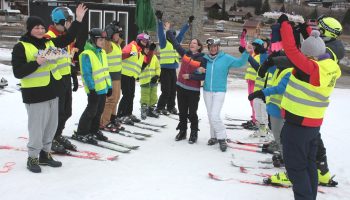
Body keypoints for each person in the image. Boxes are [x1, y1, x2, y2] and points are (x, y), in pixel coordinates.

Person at [11, 4, 87, 173]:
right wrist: (36, 63)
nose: (40, 30)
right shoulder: (21, 47)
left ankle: (45, 154)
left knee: (51, 126)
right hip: (35, 94)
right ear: (30, 29)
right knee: (37, 128)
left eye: (42, 27)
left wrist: (78, 21)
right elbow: (18, 72)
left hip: (52, 91)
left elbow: (68, 38)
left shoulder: (49, 42)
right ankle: (32, 157)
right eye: (36, 27)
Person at [279, 14, 341, 200]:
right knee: (308, 165)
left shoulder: (310, 69)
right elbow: (315, 46)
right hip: (312, 126)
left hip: (298, 124)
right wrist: (307, 30)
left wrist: (285, 26)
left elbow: (291, 50)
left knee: (296, 168)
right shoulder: (329, 64)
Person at [203, 38, 253, 152]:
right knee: (210, 115)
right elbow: (197, 70)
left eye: (215, 46)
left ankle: (222, 138)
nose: (213, 48)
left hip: (219, 90)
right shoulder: (205, 59)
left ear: (218, 47)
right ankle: (213, 136)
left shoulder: (225, 58)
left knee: (215, 115)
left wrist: (246, 52)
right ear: (208, 48)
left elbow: (239, 63)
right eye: (211, 47)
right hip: (207, 90)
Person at [44, 6, 79, 153]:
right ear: (61, 21)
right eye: (69, 21)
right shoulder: (49, 37)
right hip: (54, 80)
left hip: (65, 78)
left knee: (67, 111)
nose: (70, 24)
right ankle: (50, 138)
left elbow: (67, 59)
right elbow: (49, 59)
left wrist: (73, 75)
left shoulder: (64, 37)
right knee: (56, 113)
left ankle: (57, 135)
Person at [166, 30, 206, 144]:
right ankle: (182, 131)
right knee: (182, 112)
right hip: (181, 88)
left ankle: (194, 133)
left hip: (193, 91)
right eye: (191, 43)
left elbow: (203, 76)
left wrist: (191, 76)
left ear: (199, 47)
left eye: (194, 43)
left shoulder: (202, 59)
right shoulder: (185, 54)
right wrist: (169, 32)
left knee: (192, 113)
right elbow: (176, 44)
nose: (192, 44)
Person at [72, 28, 112, 144]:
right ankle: (81, 132)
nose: (102, 42)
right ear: (93, 40)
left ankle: (94, 130)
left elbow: (105, 71)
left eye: (103, 40)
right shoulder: (86, 54)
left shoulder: (102, 52)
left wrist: (109, 86)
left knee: (99, 111)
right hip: (94, 89)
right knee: (91, 111)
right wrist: (91, 89)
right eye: (100, 39)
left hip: (103, 88)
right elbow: (86, 74)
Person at [154, 10, 194, 115]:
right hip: (165, 70)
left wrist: (188, 24)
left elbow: (182, 33)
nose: (174, 37)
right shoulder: (163, 43)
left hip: (173, 70)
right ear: (168, 36)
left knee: (173, 90)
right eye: (172, 35)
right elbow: (160, 33)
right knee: (166, 91)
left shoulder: (175, 43)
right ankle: (160, 107)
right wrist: (159, 21)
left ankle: (171, 107)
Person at [117, 32, 150, 124]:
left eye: (146, 41)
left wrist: (148, 53)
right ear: (139, 40)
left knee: (131, 95)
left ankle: (128, 113)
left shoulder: (141, 51)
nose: (145, 42)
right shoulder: (132, 46)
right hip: (125, 74)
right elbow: (121, 55)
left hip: (132, 76)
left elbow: (144, 64)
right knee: (126, 95)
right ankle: (120, 115)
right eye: (143, 41)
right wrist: (130, 54)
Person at [99, 21, 124, 132]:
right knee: (110, 100)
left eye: (119, 34)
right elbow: (104, 44)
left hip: (117, 75)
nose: (118, 36)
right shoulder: (108, 44)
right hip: (110, 76)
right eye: (116, 34)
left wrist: (117, 28)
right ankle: (104, 121)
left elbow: (118, 39)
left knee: (116, 98)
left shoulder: (117, 44)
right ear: (110, 34)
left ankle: (112, 118)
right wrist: (109, 30)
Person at [139, 42, 161, 120]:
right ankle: (144, 109)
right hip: (145, 80)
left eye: (149, 49)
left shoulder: (154, 57)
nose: (148, 50)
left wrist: (157, 75)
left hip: (154, 81)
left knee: (153, 96)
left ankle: (151, 110)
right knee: (145, 96)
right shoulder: (141, 57)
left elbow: (158, 67)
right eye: (146, 49)